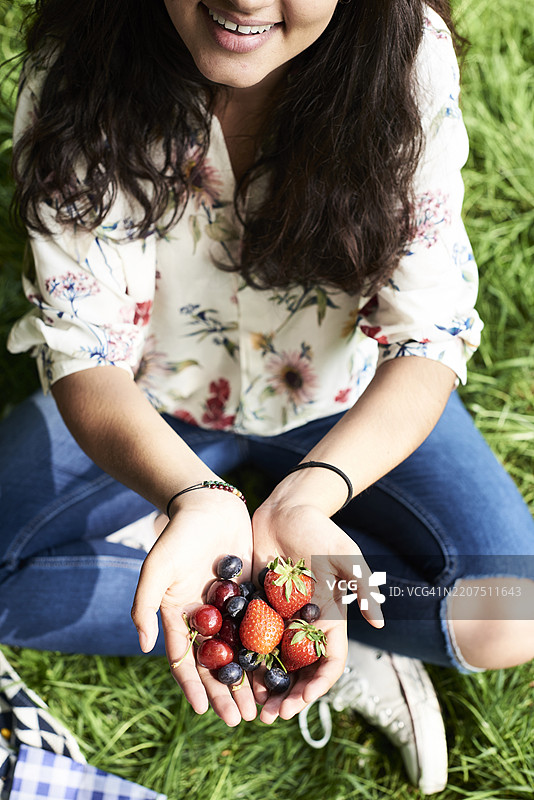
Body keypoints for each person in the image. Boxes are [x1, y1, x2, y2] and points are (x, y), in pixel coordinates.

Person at [2, 0, 534, 794]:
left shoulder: (402, 59)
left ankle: (305, 610)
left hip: (343, 405)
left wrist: (313, 498)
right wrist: (190, 492)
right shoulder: (85, 55)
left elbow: (429, 338)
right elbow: (84, 351)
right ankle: (260, 586)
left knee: (515, 609)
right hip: (153, 406)